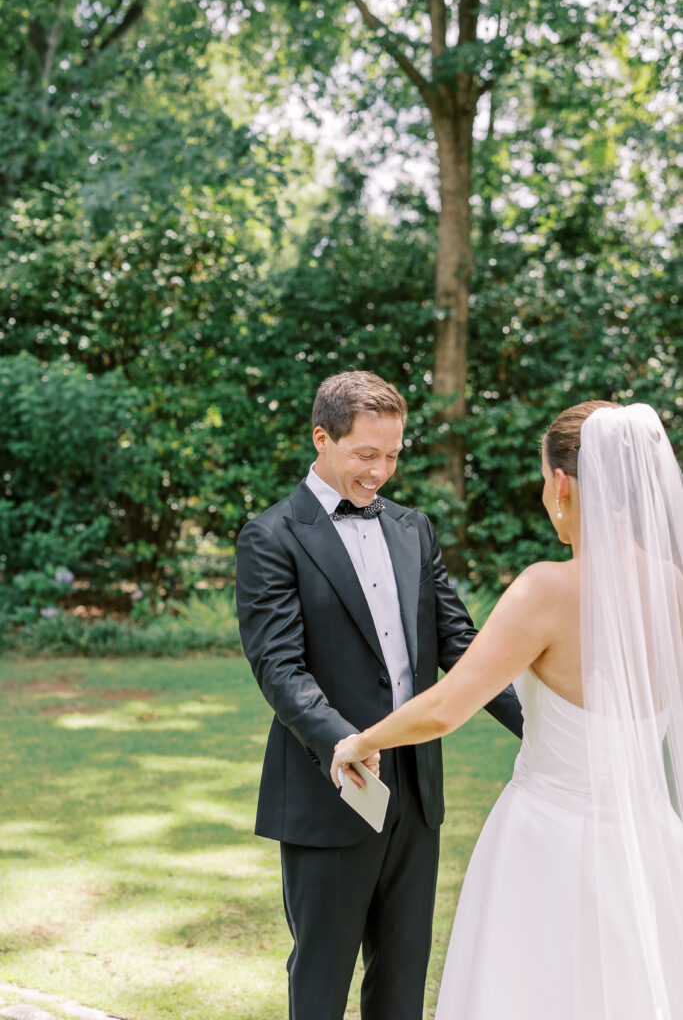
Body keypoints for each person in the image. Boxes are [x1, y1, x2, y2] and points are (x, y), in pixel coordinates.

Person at [332, 399, 683, 1019]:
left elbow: (444, 708)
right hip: (651, 839)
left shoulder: (546, 589)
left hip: (547, 839)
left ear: (561, 483)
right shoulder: (675, 590)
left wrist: (360, 741)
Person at [235, 370, 523, 1020]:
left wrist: (541, 727)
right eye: (367, 454)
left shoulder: (412, 528)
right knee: (321, 981)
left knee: (400, 982)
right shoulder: (271, 535)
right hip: (330, 789)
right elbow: (278, 668)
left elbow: (463, 646)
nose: (381, 471)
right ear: (321, 438)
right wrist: (344, 743)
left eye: (393, 455)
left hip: (416, 795)